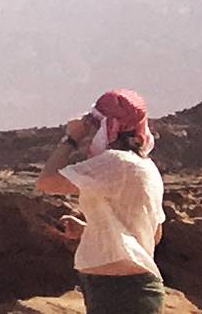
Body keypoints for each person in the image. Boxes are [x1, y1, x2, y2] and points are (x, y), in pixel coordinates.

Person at [39, 89, 166, 314]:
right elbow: (152, 235)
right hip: (131, 287)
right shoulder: (145, 166)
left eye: (96, 125)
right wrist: (90, 231)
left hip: (118, 289)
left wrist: (71, 139)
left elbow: (47, 181)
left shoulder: (115, 161)